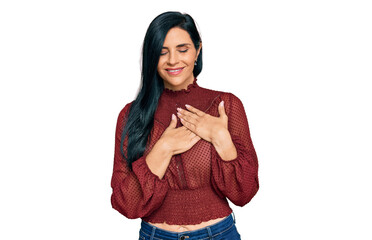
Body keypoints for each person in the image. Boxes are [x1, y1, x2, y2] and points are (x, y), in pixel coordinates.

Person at [110, 11, 259, 240]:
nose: (172, 60)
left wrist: (222, 139)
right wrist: (163, 148)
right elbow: (127, 205)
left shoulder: (226, 105)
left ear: (198, 50)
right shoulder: (131, 115)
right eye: (162, 52)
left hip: (219, 233)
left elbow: (245, 193)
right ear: (151, 57)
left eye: (183, 49)